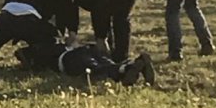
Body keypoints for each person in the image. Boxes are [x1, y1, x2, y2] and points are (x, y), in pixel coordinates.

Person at [16, 40, 156, 87]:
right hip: (88, 48)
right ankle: (131, 66)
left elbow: (20, 54)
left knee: (96, 71)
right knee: (106, 65)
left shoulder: (38, 49)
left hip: (67, 59)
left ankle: (128, 67)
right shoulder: (54, 40)